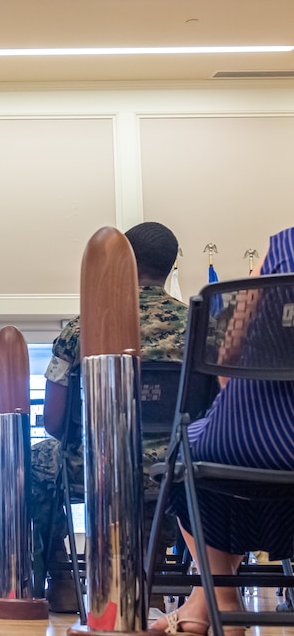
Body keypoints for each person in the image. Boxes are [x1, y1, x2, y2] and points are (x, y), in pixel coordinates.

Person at [30, 221, 187, 611]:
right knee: (162, 474)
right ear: (170, 266)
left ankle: (63, 577)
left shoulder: (80, 328)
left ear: (123, 263)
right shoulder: (200, 326)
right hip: (178, 469)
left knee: (35, 459)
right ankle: (153, 580)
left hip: (96, 466)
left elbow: (54, 421)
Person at [154, 227, 294, 635]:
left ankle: (218, 597)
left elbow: (227, 352)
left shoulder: (282, 249)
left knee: (186, 456)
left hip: (242, 435)